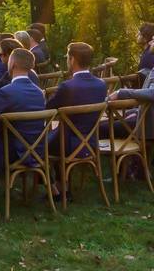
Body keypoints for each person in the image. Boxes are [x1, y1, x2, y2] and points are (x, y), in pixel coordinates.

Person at [45, 42, 106, 200]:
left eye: (68, 58)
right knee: (56, 135)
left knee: (34, 145)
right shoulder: (101, 85)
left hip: (68, 144)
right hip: (91, 143)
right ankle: (61, 186)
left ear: (72, 60)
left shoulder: (67, 86)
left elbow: (47, 108)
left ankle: (55, 190)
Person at [0, 48, 47, 173]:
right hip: (38, 149)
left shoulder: (4, 92)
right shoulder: (39, 92)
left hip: (13, 153)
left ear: (13, 64)